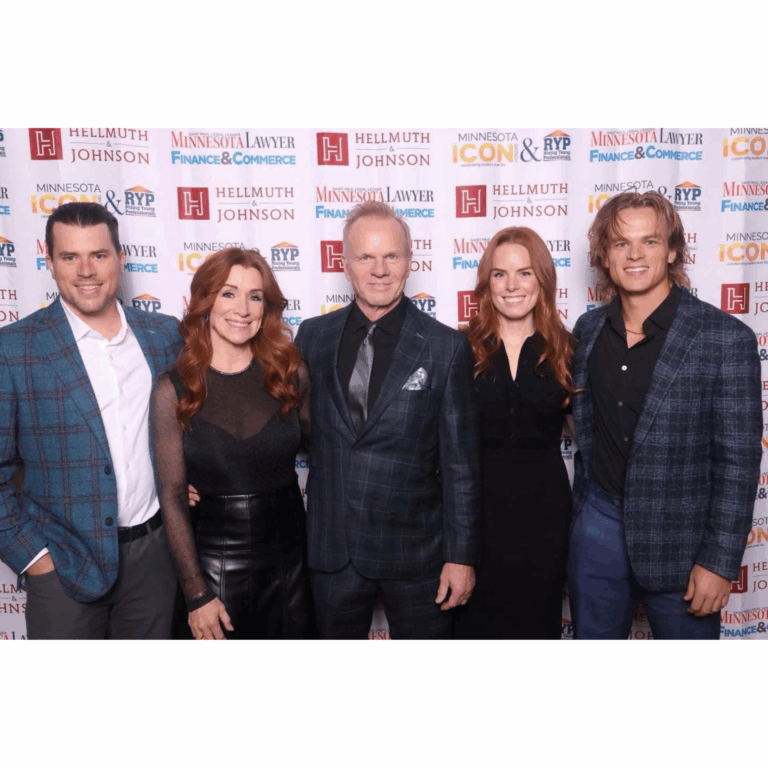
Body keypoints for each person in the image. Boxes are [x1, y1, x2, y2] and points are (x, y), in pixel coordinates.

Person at [568, 191, 762, 640]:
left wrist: (719, 562)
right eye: (621, 243)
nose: (635, 255)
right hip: (597, 529)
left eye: (650, 241)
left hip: (683, 542)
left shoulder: (724, 338)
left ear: (673, 250)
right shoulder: (588, 330)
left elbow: (737, 463)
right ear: (605, 256)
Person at [295, 201, 481, 640]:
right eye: (365, 257)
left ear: (409, 262)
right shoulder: (312, 337)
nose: (379, 270)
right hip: (333, 551)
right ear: (345, 265)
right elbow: (285, 429)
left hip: (417, 556)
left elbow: (461, 466)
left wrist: (461, 557)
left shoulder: (445, 347)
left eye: (391, 256)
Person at [0, 202, 181, 639]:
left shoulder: (164, 336)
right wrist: (34, 559)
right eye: (70, 257)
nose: (86, 271)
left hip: (156, 559)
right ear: (49, 261)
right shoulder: (14, 349)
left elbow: (189, 430)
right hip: (63, 567)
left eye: (98, 255)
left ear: (120, 258)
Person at [151, 248, 311, 640]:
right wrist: (196, 594)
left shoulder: (291, 374)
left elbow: (328, 452)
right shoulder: (173, 388)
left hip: (293, 564)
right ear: (205, 301)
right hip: (212, 569)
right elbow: (172, 496)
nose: (243, 309)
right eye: (228, 293)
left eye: (254, 296)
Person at [453, 227, 574, 640]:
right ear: (487, 283)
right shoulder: (459, 348)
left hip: (545, 519)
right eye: (500, 274)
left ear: (543, 279)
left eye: (524, 273)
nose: (512, 286)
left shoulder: (568, 349)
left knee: (536, 626)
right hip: (474, 520)